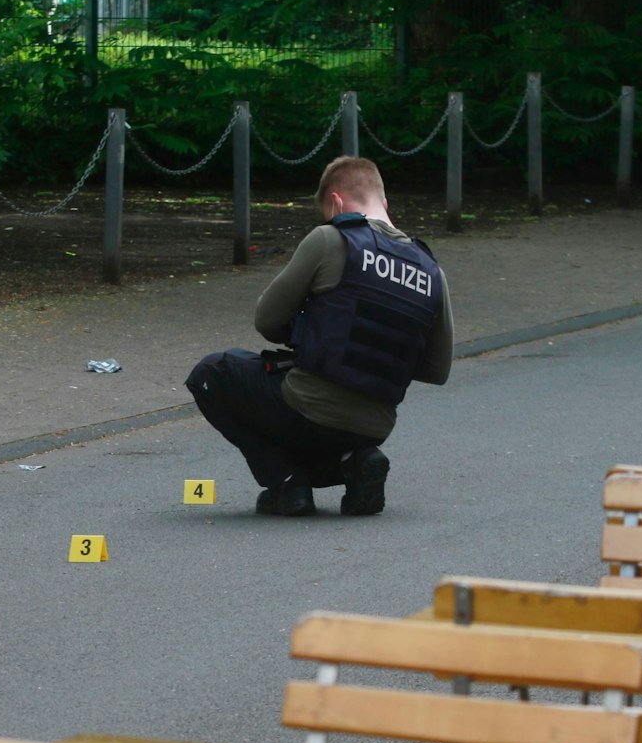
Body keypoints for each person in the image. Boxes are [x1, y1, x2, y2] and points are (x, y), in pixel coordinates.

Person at [185, 156, 454, 517]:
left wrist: (312, 335)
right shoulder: (431, 271)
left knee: (212, 373)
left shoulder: (332, 239)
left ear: (337, 203)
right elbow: (437, 370)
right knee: (322, 424)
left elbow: (267, 320)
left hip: (308, 406)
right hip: (375, 425)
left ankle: (286, 482)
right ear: (385, 203)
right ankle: (355, 462)